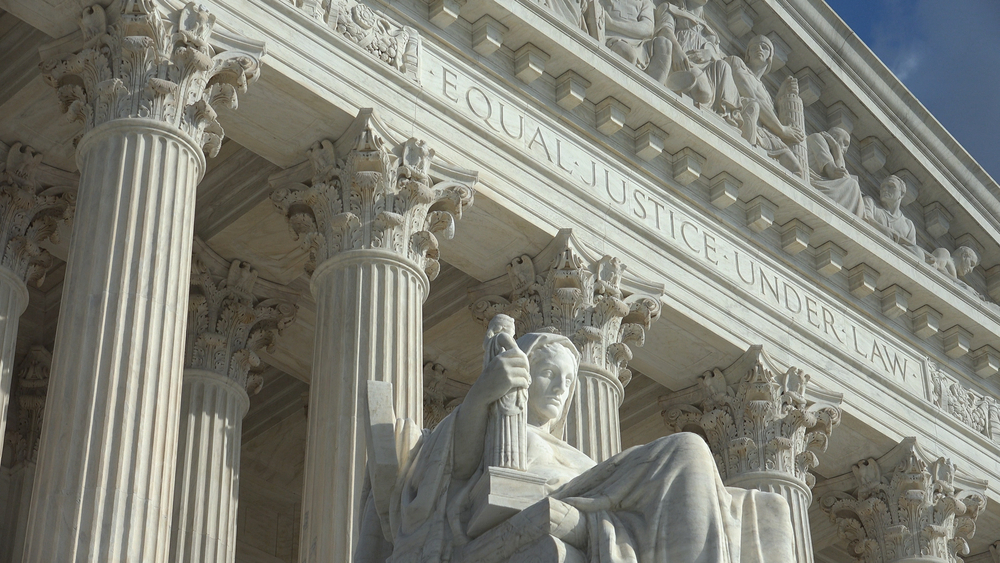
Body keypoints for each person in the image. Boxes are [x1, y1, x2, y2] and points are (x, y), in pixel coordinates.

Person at [358, 331, 796, 563]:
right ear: (523, 372)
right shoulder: (490, 424)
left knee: (770, 511)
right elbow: (455, 472)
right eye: (547, 372)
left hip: (594, 509)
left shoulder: (578, 456)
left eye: (568, 381)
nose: (559, 387)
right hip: (546, 512)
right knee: (688, 451)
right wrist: (482, 396)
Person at [646, 0, 740, 121]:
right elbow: (665, 30)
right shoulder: (669, 8)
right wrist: (677, 51)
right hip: (683, 60)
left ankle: (728, 116)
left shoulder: (711, 32)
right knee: (703, 93)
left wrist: (710, 54)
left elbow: (717, 55)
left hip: (706, 68)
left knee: (724, 66)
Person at [728, 35, 805, 176]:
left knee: (797, 170)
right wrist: (782, 129)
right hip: (742, 118)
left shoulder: (765, 90)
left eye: (764, 47)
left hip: (765, 134)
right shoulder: (737, 63)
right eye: (754, 47)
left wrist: (781, 95)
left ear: (770, 56)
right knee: (753, 106)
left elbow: (768, 112)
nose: (759, 49)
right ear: (748, 54)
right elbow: (751, 95)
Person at [806, 127, 864, 216]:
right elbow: (834, 173)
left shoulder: (832, 151)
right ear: (834, 137)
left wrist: (836, 149)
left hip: (823, 184)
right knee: (853, 185)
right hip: (814, 182)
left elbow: (841, 173)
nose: (846, 150)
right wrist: (836, 146)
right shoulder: (817, 138)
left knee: (853, 186)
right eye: (845, 144)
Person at [863, 175, 921, 257]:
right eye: (883, 186)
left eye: (891, 186)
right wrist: (883, 230)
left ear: (902, 194)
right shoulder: (870, 202)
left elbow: (912, 250)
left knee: (919, 253)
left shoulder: (908, 225)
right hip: (869, 248)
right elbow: (865, 219)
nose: (884, 189)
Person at [600, 0, 655, 66]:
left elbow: (647, 29)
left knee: (664, 45)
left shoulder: (644, 2)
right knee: (629, 54)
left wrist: (612, 24)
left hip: (637, 44)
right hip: (611, 38)